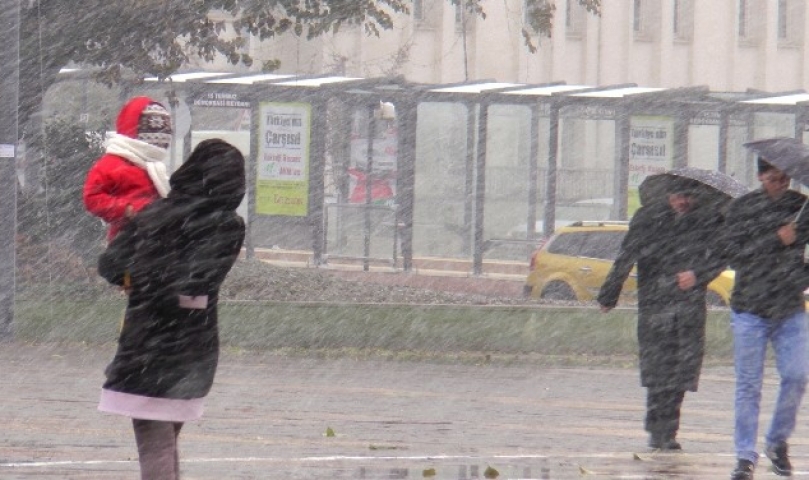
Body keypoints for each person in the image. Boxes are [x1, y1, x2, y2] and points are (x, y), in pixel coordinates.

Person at [96, 139, 246, 480]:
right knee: (166, 440)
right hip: (195, 345)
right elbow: (199, 280)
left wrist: (139, 280)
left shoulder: (154, 213)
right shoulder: (228, 225)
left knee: (155, 442)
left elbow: (110, 264)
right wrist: (183, 296)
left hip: (146, 341)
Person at [597, 180, 726, 451]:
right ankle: (657, 428)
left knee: (682, 369)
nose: (683, 202)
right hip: (655, 303)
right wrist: (610, 292)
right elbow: (627, 254)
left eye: (688, 197)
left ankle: (669, 428)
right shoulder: (648, 218)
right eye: (678, 196)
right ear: (668, 195)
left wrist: (697, 275)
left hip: (688, 305)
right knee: (658, 368)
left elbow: (721, 256)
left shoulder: (708, 220)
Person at [724, 159, 809, 480]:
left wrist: (800, 277)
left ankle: (777, 440)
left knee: (798, 376)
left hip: (789, 307)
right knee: (749, 385)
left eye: (786, 178)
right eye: (774, 178)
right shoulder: (742, 209)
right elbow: (734, 253)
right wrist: (776, 239)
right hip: (750, 308)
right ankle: (745, 456)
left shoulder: (801, 207)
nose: (781, 183)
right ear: (761, 176)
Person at [83, 96, 173, 242]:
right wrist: (128, 209)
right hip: (126, 243)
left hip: (154, 242)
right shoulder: (112, 164)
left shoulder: (154, 168)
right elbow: (92, 198)